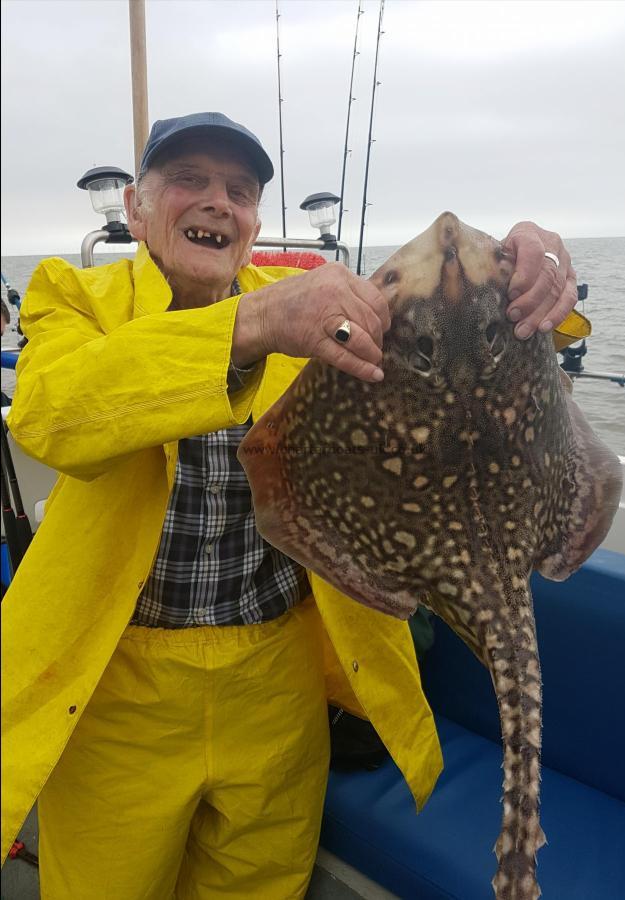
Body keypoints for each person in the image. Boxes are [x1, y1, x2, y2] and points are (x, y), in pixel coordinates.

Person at [2, 111, 580, 899]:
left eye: (238, 191)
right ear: (136, 210)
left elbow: (456, 293)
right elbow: (51, 414)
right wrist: (251, 326)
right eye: (188, 182)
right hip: (119, 697)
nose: (216, 203)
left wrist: (533, 258)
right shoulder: (72, 296)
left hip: (276, 681)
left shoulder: (306, 299)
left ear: (254, 222)